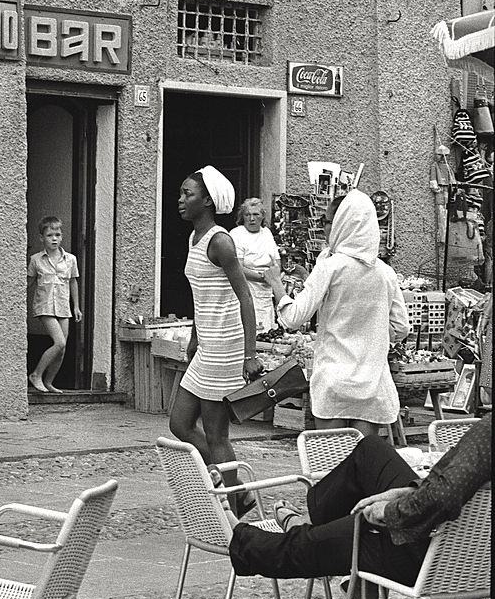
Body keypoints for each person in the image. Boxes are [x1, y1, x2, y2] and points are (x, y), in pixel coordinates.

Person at [221, 413, 491, 599]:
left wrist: (389, 511)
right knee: (371, 451)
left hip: (431, 555)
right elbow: (450, 488)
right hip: (468, 558)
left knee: (338, 538)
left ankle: (246, 541)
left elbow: (444, 497)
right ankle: (308, 521)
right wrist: (411, 490)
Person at [264, 189, 409, 436]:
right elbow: (401, 328)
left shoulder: (330, 267)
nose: (323, 228)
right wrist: (369, 331)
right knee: (361, 466)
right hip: (371, 384)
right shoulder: (385, 273)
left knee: (330, 465)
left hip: (334, 381)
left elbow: (293, 318)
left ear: (343, 223)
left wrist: (277, 285)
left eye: (327, 221)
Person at [169, 166, 262, 517]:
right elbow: (200, 296)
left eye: (187, 194)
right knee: (179, 424)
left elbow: (245, 296)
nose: (180, 200)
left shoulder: (220, 241)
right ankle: (238, 490)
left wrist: (250, 354)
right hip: (206, 344)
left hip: (225, 347)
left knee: (216, 434)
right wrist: (194, 336)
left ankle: (236, 509)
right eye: (181, 193)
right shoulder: (194, 239)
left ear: (207, 201)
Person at [27, 215, 82, 394]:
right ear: (42, 238)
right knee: (58, 342)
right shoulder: (36, 259)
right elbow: (29, 282)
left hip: (63, 307)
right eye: (50, 235)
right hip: (44, 306)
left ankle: (49, 382)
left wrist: (76, 307)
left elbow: (73, 282)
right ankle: (36, 375)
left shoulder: (70, 259)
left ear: (62, 236)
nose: (54, 239)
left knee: (62, 348)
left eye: (57, 235)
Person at [229, 197, 281, 332]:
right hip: (248, 289)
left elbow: (277, 259)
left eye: (256, 214)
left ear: (262, 216)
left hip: (266, 291)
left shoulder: (267, 233)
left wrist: (274, 276)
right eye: (247, 215)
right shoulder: (237, 234)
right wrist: (263, 277)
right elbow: (237, 267)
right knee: (251, 330)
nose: (251, 219)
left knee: (267, 331)